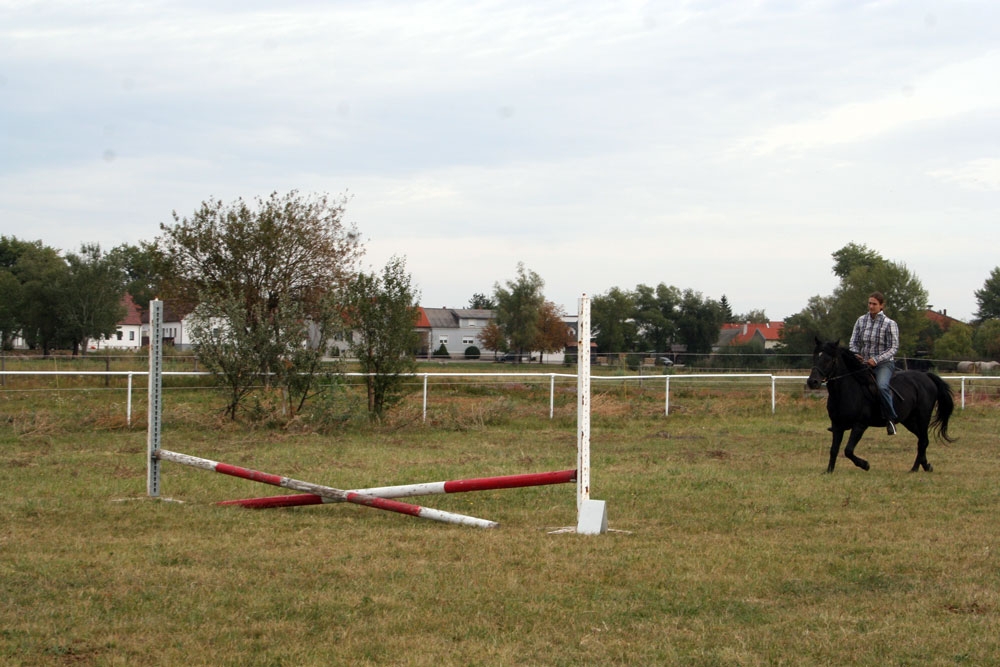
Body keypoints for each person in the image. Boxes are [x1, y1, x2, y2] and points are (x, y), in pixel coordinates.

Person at [849, 291, 900, 435]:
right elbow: (853, 342)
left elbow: (894, 347)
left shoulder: (890, 324)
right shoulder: (861, 320)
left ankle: (891, 419)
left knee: (882, 386)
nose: (871, 306)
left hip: (883, 364)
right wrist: (855, 354)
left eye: (874, 304)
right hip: (863, 362)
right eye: (869, 303)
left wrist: (876, 360)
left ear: (881, 306)